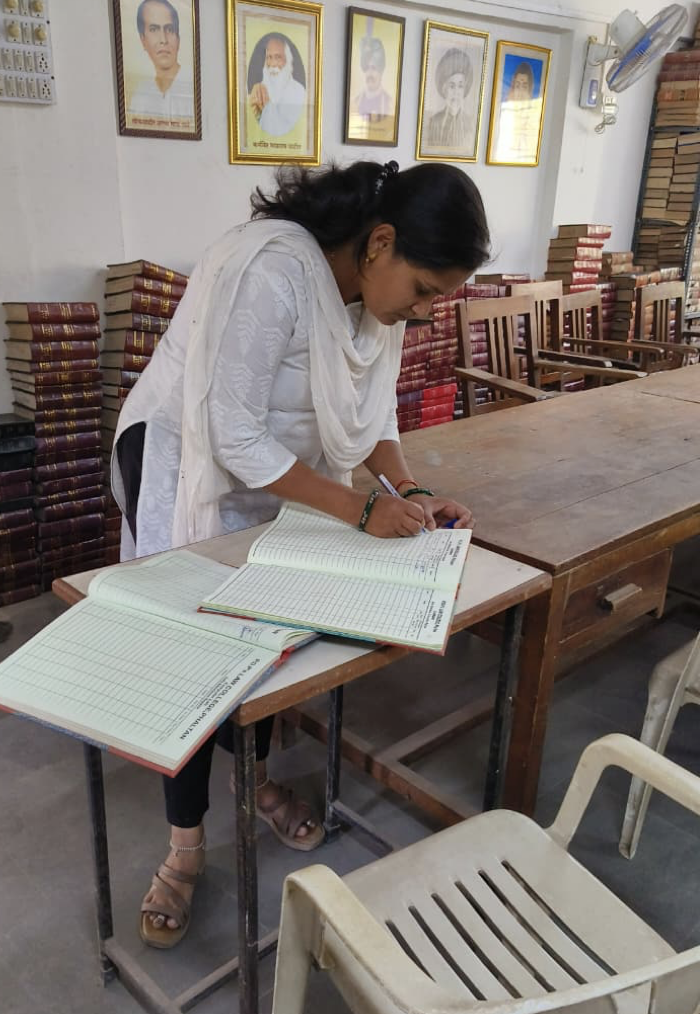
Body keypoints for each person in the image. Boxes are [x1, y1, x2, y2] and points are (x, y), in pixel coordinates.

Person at [111, 158, 491, 949]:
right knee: (192, 653)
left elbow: (370, 414)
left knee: (264, 643)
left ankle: (252, 784)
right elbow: (230, 432)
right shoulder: (273, 271)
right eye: (423, 291)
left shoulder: (374, 307)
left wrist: (410, 491)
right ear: (379, 242)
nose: (422, 314)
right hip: (185, 466)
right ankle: (184, 851)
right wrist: (360, 508)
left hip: (273, 477)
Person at [128, 0, 195, 124]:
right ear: (143, 40)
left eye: (169, 30)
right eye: (154, 29)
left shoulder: (193, 87)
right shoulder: (140, 95)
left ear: (178, 39)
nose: (163, 40)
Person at [248, 36, 306, 137]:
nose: (273, 64)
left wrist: (266, 108)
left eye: (278, 57)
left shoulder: (299, 92)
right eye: (269, 57)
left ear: (288, 61)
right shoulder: (257, 91)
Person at [424, 47, 474, 152]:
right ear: (444, 89)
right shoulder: (434, 122)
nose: (456, 92)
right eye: (452, 86)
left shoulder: (470, 123)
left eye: (460, 86)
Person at [494, 60, 542, 161]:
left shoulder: (534, 118)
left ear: (529, 90)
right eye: (517, 85)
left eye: (524, 86)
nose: (520, 92)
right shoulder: (504, 113)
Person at [354, 35, 392, 123]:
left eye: (374, 68)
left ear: (381, 72)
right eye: (367, 68)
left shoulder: (390, 104)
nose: (370, 73)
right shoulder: (355, 102)